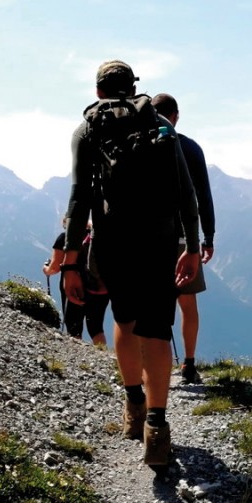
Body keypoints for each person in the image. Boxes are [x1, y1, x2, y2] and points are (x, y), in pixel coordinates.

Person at [61, 60, 200, 468]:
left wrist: (71, 262)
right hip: (160, 243)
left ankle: (134, 406)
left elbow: (78, 199)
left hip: (112, 243)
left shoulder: (88, 129)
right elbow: (185, 193)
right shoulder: (161, 126)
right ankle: (157, 427)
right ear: (134, 86)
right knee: (158, 328)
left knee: (124, 322)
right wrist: (191, 246)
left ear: (100, 91)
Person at [151, 93, 215, 385]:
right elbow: (203, 195)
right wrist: (207, 237)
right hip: (183, 240)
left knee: (151, 303)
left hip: (147, 239)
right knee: (187, 304)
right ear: (176, 115)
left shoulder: (139, 145)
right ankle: (188, 364)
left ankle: (149, 364)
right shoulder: (189, 147)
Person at [43, 219, 108, 348]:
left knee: (74, 325)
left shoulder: (65, 238)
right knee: (96, 326)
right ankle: (104, 358)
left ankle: (77, 359)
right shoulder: (94, 237)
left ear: (66, 224)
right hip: (98, 286)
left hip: (74, 286)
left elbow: (54, 268)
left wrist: (45, 269)